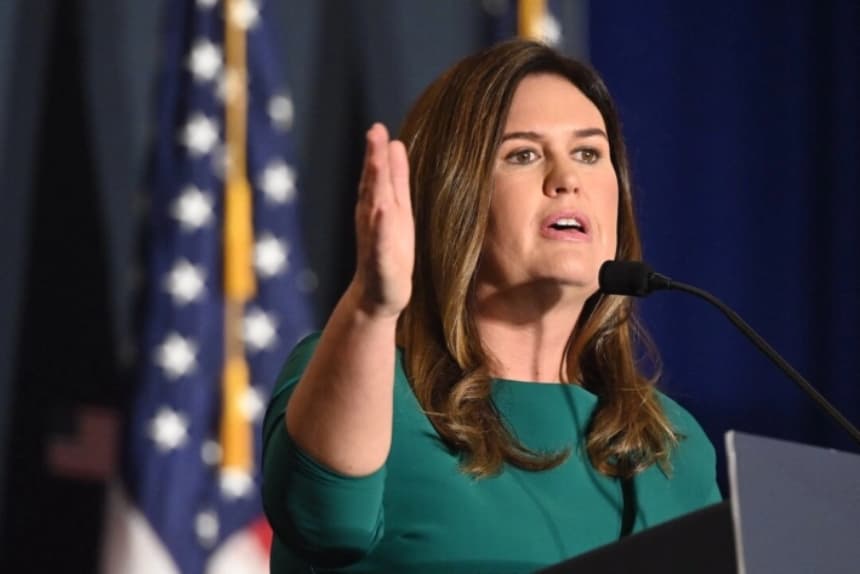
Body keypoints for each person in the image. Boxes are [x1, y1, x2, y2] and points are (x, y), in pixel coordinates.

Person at [261, 39, 721, 573]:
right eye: (523, 154)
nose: (567, 179)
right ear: (453, 196)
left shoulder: (671, 444)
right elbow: (325, 522)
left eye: (590, 153)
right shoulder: (374, 384)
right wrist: (372, 304)